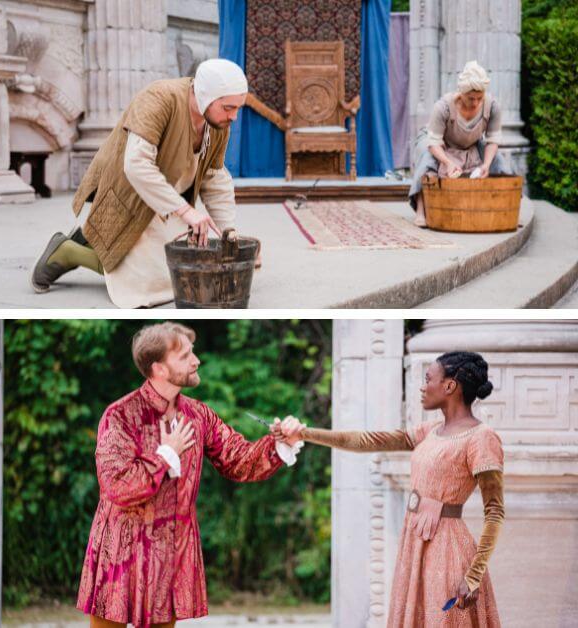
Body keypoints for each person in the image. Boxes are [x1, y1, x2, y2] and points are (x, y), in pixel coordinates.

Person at [77, 322, 302, 626]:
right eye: (184, 356)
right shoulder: (120, 415)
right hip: (120, 555)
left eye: (192, 352)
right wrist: (165, 455)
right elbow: (117, 487)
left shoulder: (199, 415)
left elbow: (239, 460)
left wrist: (279, 444)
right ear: (159, 369)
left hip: (170, 554)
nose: (196, 361)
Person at [274, 351, 504, 626]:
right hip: (415, 545)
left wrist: (473, 575)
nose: (422, 386)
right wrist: (305, 434)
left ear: (450, 386)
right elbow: (366, 441)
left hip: (449, 551)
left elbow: (495, 512)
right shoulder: (429, 431)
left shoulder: (482, 438)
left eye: (428, 379)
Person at [30, 59, 248, 309]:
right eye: (229, 107)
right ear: (206, 96)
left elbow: (214, 176)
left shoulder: (218, 123)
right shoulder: (158, 98)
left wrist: (229, 231)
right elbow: (136, 165)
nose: (234, 116)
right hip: (130, 192)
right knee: (142, 285)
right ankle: (68, 251)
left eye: (238, 108)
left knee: (182, 274)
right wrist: (186, 211)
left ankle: (89, 239)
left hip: (168, 200)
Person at [408, 61, 513, 227]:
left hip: (471, 142)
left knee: (497, 160)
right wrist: (448, 163)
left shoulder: (492, 106)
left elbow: (493, 140)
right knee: (427, 158)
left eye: (479, 98)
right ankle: (421, 210)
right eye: (471, 98)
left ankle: (507, 208)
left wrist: (486, 164)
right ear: (461, 92)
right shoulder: (443, 107)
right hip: (438, 141)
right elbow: (433, 142)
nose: (475, 103)